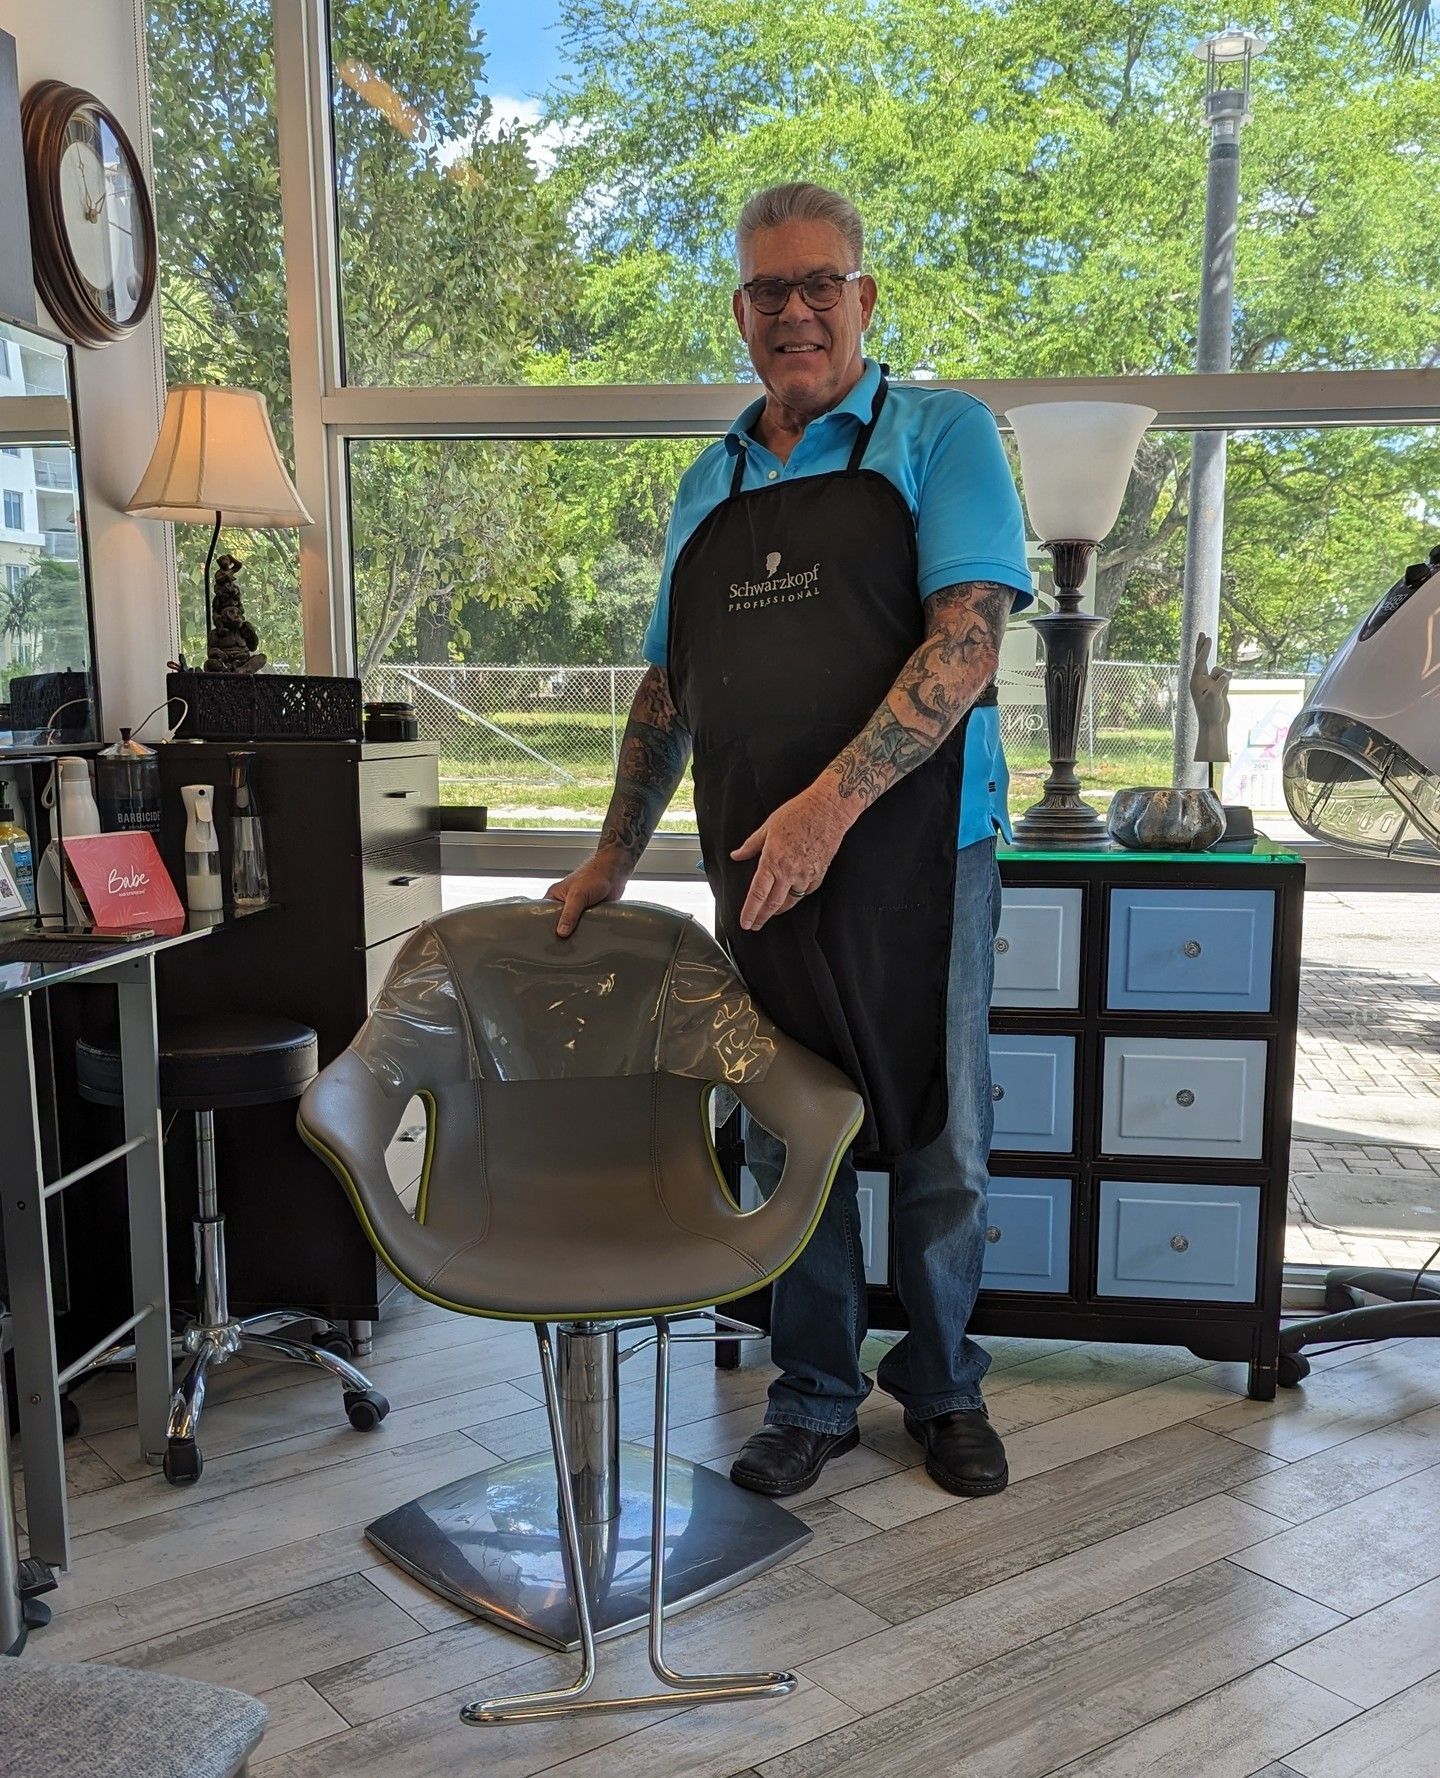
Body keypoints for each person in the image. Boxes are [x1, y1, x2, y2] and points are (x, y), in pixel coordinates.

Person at [547, 181, 1033, 1500]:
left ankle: (942, 1385)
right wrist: (612, 856)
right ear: (742, 311)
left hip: (925, 855)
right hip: (758, 867)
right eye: (771, 289)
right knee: (783, 1133)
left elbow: (967, 643)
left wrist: (829, 808)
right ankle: (814, 1391)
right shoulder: (707, 482)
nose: (797, 310)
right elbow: (668, 691)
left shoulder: (938, 434)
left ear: (864, 298)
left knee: (938, 1138)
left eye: (822, 284)